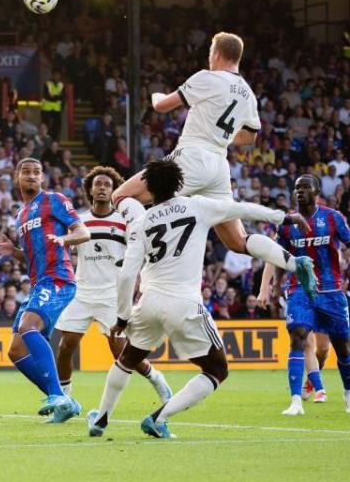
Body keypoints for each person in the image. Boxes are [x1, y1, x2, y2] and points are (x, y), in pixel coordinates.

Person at [88, 159, 311, 438]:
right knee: (217, 369)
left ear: (148, 188)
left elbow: (126, 275)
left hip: (149, 302)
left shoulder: (143, 222)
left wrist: (122, 316)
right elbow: (241, 208)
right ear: (180, 184)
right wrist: (281, 217)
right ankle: (159, 417)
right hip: (184, 303)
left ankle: (101, 419)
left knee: (128, 357)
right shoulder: (198, 206)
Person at [111, 32, 317, 299]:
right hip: (219, 166)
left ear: (216, 53)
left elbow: (162, 106)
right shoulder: (248, 95)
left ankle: (131, 253)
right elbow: (250, 137)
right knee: (238, 241)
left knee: (121, 195)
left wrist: (154, 95)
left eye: (210, 51)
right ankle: (294, 262)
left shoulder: (207, 78)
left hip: (190, 158)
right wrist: (222, 138)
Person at [52, 167, 171, 402]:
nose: (103, 188)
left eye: (108, 185)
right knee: (66, 347)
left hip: (111, 294)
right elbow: (65, 248)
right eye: (98, 184)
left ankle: (156, 378)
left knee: (119, 352)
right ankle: (65, 401)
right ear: (90, 190)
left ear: (114, 190)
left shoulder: (124, 221)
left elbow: (140, 253)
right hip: (82, 292)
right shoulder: (79, 222)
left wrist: (137, 281)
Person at [0, 158, 90, 423]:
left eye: (36, 173)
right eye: (26, 172)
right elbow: (35, 252)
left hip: (58, 279)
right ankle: (65, 402)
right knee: (16, 350)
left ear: (42, 178)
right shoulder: (21, 214)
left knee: (29, 327)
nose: (31, 176)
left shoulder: (53, 200)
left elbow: (83, 232)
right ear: (17, 177)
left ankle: (58, 395)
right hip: (38, 284)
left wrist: (64, 239)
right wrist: (15, 252)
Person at [262, 175, 350, 416]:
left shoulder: (333, 217)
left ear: (317, 192)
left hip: (331, 291)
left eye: (305, 187)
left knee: (342, 347)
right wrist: (276, 284)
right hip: (298, 289)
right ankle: (295, 401)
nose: (300, 191)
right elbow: (279, 255)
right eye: (297, 187)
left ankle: (348, 394)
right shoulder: (287, 223)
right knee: (298, 338)